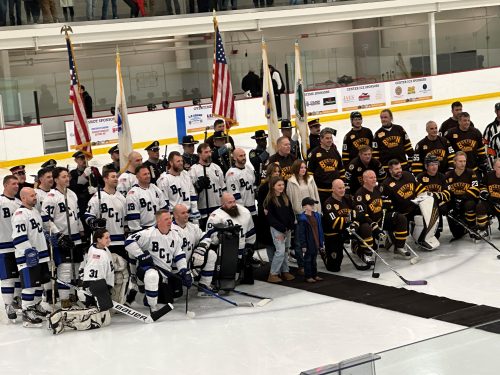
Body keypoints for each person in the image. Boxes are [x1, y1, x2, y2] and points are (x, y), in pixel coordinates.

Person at [49, 228, 113, 335]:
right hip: (91, 291)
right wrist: (101, 294)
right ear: (98, 239)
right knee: (99, 319)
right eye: (106, 238)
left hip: (93, 287)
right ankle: (61, 317)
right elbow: (93, 279)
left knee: (105, 319)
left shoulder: (98, 248)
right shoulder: (97, 255)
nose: (109, 240)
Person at [125, 210, 191, 314]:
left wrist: (183, 270)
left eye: (170, 218)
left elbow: (179, 254)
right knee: (152, 275)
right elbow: (129, 242)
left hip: (165, 273)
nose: (170, 221)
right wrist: (141, 256)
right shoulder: (148, 233)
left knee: (168, 299)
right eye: (166, 219)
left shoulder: (176, 235)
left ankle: (144, 297)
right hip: (147, 268)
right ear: (158, 221)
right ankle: (153, 308)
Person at [42, 167, 84, 309]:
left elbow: (76, 215)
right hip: (62, 238)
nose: (67, 179)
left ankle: (73, 297)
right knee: (65, 270)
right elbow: (45, 219)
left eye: (68, 176)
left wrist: (81, 229)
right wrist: (57, 234)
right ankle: (64, 302)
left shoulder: (72, 194)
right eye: (64, 177)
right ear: (55, 180)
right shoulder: (51, 197)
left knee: (76, 269)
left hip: (76, 236)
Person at [12, 187, 51, 327]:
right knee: (29, 286)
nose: (35, 197)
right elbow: (18, 238)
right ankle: (27, 312)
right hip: (28, 257)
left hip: (40, 255)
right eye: (32, 195)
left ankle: (35, 306)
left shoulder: (34, 211)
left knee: (39, 284)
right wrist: (30, 252)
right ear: (23, 198)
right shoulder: (20, 214)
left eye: (35, 195)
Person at [352, 170, 410, 260]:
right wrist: (374, 227)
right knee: (373, 246)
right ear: (364, 180)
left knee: (400, 218)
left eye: (375, 177)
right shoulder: (360, 195)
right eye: (371, 177)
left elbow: (385, 198)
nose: (374, 179)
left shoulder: (378, 188)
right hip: (368, 223)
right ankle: (358, 246)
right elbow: (362, 215)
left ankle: (399, 247)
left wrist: (387, 203)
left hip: (380, 219)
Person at [382, 159, 436, 251]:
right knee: (396, 242)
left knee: (427, 212)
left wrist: (423, 196)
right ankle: (390, 238)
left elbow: (418, 187)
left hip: (413, 208)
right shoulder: (386, 184)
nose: (399, 171)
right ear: (390, 170)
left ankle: (422, 238)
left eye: (400, 168)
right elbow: (385, 204)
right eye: (396, 169)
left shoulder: (408, 175)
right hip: (399, 213)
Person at [205, 192, 256, 285]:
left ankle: (240, 275)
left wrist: (250, 246)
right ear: (223, 204)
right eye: (229, 202)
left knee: (248, 276)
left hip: (242, 249)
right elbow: (211, 238)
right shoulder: (215, 217)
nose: (233, 205)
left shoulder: (244, 212)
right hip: (226, 252)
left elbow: (251, 231)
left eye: (234, 202)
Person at [286, 159, 321, 274]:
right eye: (301, 168)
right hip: (300, 215)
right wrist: (294, 217)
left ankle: (312, 265)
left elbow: (316, 195)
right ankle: (302, 265)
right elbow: (290, 200)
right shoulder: (291, 182)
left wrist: (318, 211)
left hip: (312, 213)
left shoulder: (310, 179)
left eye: (305, 167)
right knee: (299, 242)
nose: (303, 170)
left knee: (313, 239)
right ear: (296, 169)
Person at [172, 204, 215, 293]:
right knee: (176, 294)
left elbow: (206, 236)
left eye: (187, 212)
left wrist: (201, 248)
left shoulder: (192, 226)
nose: (187, 215)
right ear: (176, 215)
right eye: (183, 213)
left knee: (211, 254)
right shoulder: (171, 230)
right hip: (174, 269)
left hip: (189, 264)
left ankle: (204, 284)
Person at [446, 151, 488, 239]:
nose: (463, 164)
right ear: (454, 162)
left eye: (464, 161)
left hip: (468, 200)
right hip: (455, 202)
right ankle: (463, 227)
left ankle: (472, 228)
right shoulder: (448, 175)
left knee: (470, 204)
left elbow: (476, 188)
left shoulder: (471, 173)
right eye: (460, 161)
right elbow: (446, 190)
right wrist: (454, 200)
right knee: (457, 234)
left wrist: (463, 197)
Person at [264, 177, 295, 283]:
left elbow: (290, 212)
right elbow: (270, 218)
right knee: (280, 251)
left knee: (286, 250)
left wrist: (291, 225)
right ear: (273, 186)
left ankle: (285, 271)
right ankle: (273, 273)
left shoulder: (285, 197)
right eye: (279, 185)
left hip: (287, 229)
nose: (282, 187)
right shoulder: (270, 201)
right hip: (277, 230)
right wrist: (281, 228)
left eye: (282, 184)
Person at [189, 143, 226, 230]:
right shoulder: (193, 170)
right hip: (202, 210)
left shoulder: (217, 167)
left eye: (210, 152)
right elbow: (190, 192)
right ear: (199, 154)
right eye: (206, 152)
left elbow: (223, 188)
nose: (209, 154)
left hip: (218, 208)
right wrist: (197, 186)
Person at [0, 176, 22, 322]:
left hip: (19, 245)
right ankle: (8, 305)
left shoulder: (20, 202)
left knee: (20, 276)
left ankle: (17, 300)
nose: (16, 186)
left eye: (17, 183)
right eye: (13, 183)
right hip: (3, 246)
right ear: (5, 185)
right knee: (8, 278)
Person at [69, 151, 103, 241]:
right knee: (86, 228)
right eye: (81, 158)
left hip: (96, 202)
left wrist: (97, 189)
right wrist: (84, 176)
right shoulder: (73, 173)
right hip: (82, 204)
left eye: (85, 158)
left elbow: (102, 183)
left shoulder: (94, 170)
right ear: (76, 160)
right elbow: (73, 188)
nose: (84, 160)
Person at [307, 127, 345, 207]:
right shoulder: (314, 153)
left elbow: (341, 170)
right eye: (327, 138)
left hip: (335, 191)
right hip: (321, 191)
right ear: (321, 139)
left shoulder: (335, 151)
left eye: (331, 138)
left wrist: (342, 185)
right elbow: (310, 173)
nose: (330, 140)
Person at [156, 151, 199, 220]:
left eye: (181, 161)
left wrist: (194, 211)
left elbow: (192, 194)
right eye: (178, 161)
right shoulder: (164, 180)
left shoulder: (185, 174)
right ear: (171, 163)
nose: (181, 163)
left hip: (188, 214)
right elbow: (164, 203)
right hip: (175, 217)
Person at [416, 154, 451, 239]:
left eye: (436, 164)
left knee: (443, 206)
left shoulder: (442, 177)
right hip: (425, 207)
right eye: (431, 165)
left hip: (438, 205)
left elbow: (447, 194)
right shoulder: (420, 177)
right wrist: (436, 197)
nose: (434, 167)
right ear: (426, 166)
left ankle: (438, 228)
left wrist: (433, 195)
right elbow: (419, 195)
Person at [445, 112, 489, 178]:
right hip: (458, 170)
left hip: (474, 168)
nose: (467, 122)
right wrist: (451, 165)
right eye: (465, 120)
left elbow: (481, 149)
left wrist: (483, 162)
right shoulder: (450, 134)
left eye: (468, 120)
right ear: (459, 121)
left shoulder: (476, 132)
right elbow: (448, 151)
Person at [125, 165, 168, 233]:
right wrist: (138, 232)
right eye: (145, 174)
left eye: (148, 173)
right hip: (144, 230)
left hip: (158, 228)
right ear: (137, 177)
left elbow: (163, 208)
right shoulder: (133, 194)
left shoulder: (155, 188)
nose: (148, 176)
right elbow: (133, 217)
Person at [322, 179, 353, 272]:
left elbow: (357, 213)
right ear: (333, 189)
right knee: (334, 268)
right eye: (339, 188)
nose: (342, 190)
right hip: (333, 234)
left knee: (363, 228)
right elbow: (335, 222)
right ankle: (325, 254)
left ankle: (359, 249)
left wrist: (354, 221)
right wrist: (351, 218)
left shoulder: (348, 198)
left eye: (343, 187)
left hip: (345, 230)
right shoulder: (328, 204)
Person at [297, 197, 324, 283]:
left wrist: (321, 241)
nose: (313, 206)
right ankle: (308, 276)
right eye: (310, 204)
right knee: (308, 260)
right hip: (309, 242)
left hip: (315, 241)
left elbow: (320, 229)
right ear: (304, 206)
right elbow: (301, 233)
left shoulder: (316, 215)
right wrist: (303, 245)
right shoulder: (302, 219)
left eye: (313, 204)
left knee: (314, 259)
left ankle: (314, 274)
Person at [226, 148, 257, 219]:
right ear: (234, 158)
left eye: (244, 155)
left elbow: (253, 185)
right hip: (242, 210)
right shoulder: (231, 174)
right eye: (240, 156)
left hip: (252, 207)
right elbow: (234, 195)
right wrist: (242, 210)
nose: (244, 158)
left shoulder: (248, 168)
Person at [256, 163, 281, 251]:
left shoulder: (281, 185)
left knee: (280, 248)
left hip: (279, 219)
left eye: (278, 172)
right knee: (270, 245)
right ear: (270, 173)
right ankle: (272, 264)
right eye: (275, 172)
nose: (277, 173)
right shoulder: (264, 187)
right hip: (267, 221)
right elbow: (260, 206)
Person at [480, 158, 500, 230]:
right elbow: (482, 186)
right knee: (480, 206)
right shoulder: (489, 176)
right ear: (494, 167)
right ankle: (482, 229)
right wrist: (485, 194)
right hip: (490, 202)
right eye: (499, 167)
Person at [482, 103, 500, 167]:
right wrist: (489, 161)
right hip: (497, 163)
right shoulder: (489, 128)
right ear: (495, 111)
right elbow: (485, 145)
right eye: (499, 110)